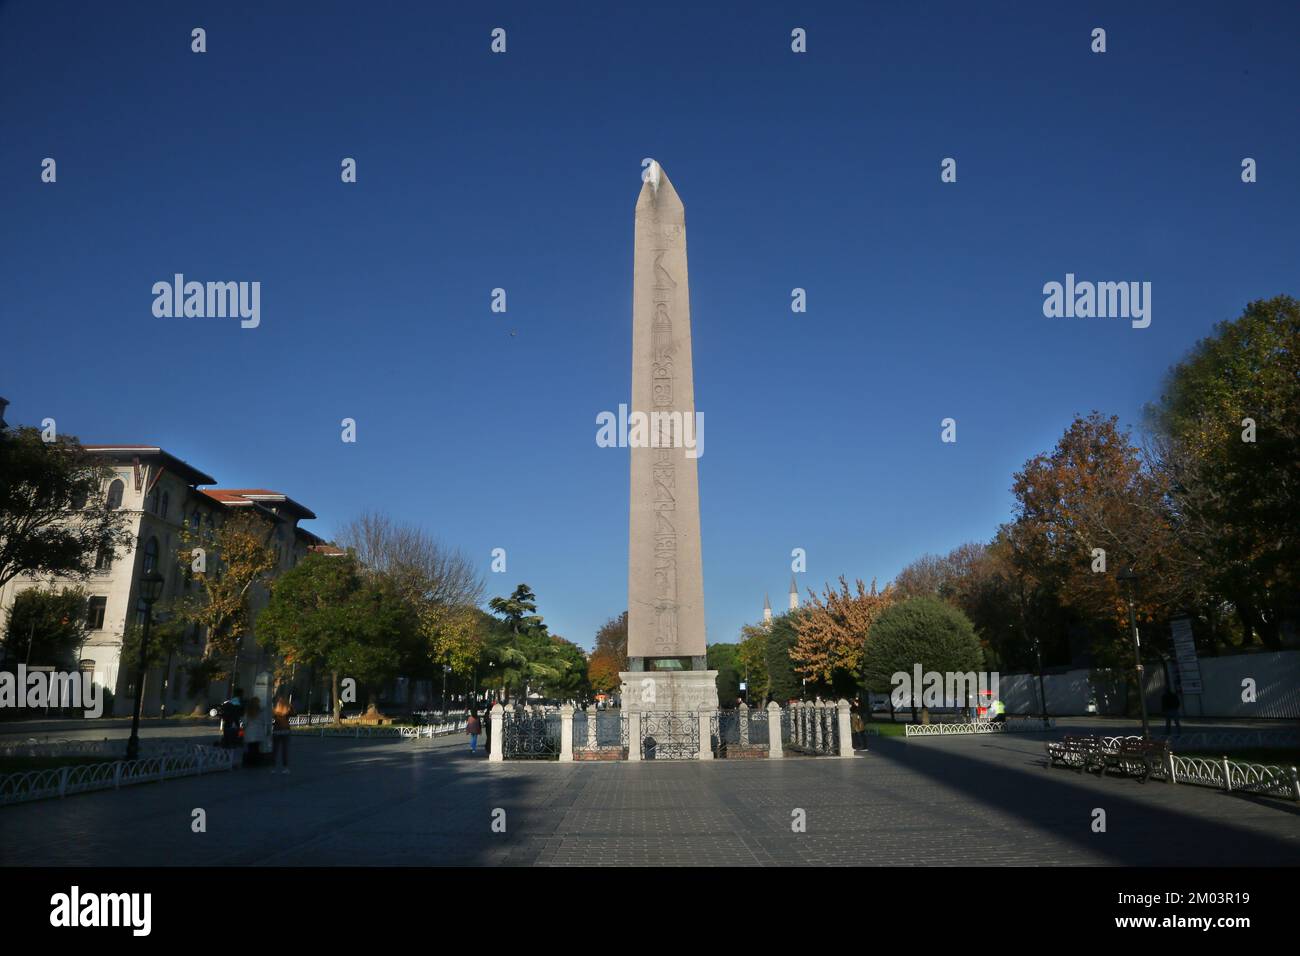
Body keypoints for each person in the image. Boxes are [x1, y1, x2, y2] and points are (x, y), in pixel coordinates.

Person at [271, 695, 294, 774]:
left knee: (275, 750)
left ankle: (273, 768)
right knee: (285, 750)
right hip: (285, 730)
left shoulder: (275, 711)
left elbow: (272, 716)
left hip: (276, 731)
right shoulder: (287, 711)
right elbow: (294, 714)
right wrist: (290, 706)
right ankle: (285, 767)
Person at [243, 696, 267, 766]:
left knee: (250, 748)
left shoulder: (248, 712)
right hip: (258, 732)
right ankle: (256, 762)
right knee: (256, 748)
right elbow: (264, 721)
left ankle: (250, 762)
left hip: (249, 732)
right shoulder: (261, 711)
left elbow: (244, 722)